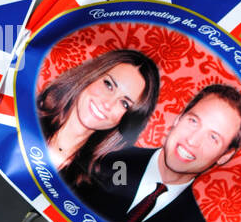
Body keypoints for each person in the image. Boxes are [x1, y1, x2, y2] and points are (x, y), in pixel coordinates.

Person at [77, 82, 241, 222]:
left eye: (213, 137)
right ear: (178, 119)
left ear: (224, 155)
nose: (192, 141)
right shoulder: (102, 159)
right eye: (193, 121)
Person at [36, 49, 160, 189]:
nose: (108, 103)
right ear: (91, 75)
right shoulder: (24, 116)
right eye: (108, 85)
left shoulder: (97, 184)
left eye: (124, 103)